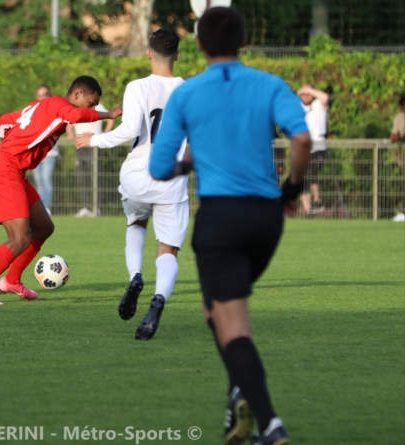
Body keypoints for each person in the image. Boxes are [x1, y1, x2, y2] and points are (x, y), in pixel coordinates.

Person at [149, 7, 311, 445]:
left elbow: (160, 165)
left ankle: (271, 424)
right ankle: (239, 392)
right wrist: (292, 191)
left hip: (221, 219)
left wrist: (191, 159)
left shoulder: (188, 94)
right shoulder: (269, 84)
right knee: (216, 314)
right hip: (266, 220)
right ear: (243, 43)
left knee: (231, 326)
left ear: (199, 46)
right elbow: (301, 138)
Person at [0, 76, 122, 305]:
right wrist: (109, 114)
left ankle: (11, 280)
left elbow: (5, 120)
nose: (93, 108)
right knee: (19, 237)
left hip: (15, 171)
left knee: (44, 228)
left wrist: (12, 143)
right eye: (92, 102)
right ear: (77, 94)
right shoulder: (59, 106)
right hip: (5, 171)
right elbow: (76, 115)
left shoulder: (42, 106)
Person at [75, 28, 188, 341]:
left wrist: (94, 138)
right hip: (171, 179)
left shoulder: (137, 86)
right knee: (168, 248)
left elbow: (129, 130)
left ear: (149, 53)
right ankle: (158, 299)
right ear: (177, 55)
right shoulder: (189, 90)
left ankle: (135, 276)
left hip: (137, 174)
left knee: (136, 223)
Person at [67, 104, 114, 217]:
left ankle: (97, 208)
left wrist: (104, 135)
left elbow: (110, 119)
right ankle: (86, 207)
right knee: (82, 177)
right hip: (80, 147)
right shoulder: (77, 108)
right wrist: (70, 132)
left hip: (94, 146)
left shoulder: (99, 106)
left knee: (96, 177)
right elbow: (69, 124)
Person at [297, 84, 329, 213]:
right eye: (303, 94)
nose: (306, 96)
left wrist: (309, 90)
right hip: (302, 148)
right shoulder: (297, 107)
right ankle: (308, 209)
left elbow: (325, 97)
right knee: (301, 178)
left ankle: (317, 200)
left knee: (311, 173)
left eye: (309, 93)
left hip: (318, 147)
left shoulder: (319, 105)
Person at [31, 85, 59, 214]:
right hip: (35, 152)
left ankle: (46, 207)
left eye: (46, 93)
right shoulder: (32, 111)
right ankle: (41, 207)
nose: (43, 96)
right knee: (38, 181)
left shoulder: (54, 110)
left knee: (46, 179)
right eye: (40, 94)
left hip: (49, 151)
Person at [389, 94, 405, 222]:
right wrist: (394, 137)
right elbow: (394, 134)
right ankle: (403, 212)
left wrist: (399, 138)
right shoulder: (400, 117)